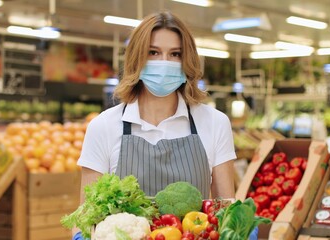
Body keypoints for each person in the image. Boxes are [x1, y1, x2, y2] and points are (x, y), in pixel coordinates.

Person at [73, 11, 242, 239]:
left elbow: (226, 210)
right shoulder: (103, 126)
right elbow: (86, 215)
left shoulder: (214, 123)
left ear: (187, 61)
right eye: (153, 52)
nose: (165, 63)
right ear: (137, 59)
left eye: (175, 54)